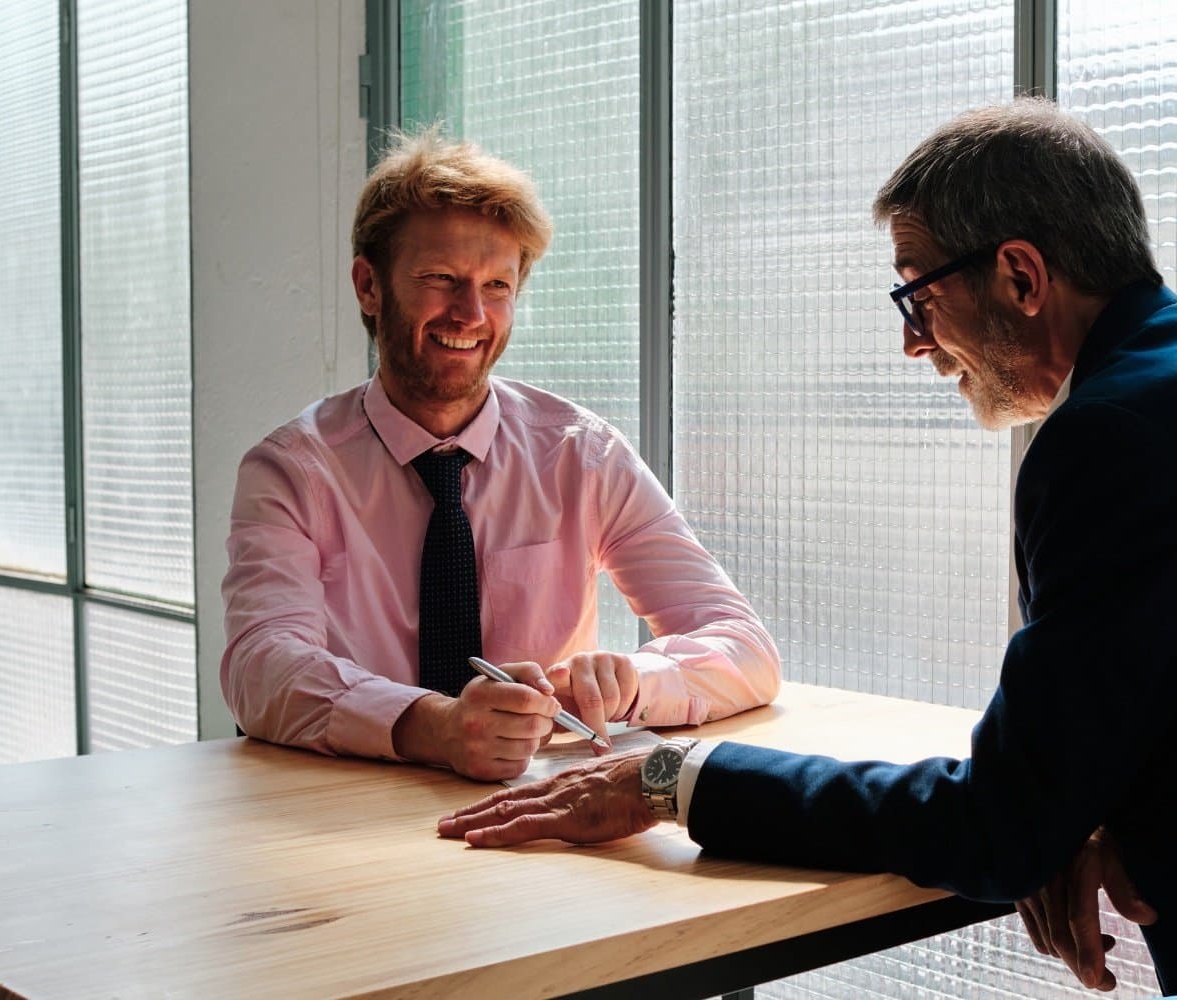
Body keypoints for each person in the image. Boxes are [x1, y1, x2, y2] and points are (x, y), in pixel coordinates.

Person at [437, 99, 1177, 994]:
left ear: (1018, 275)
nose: (913, 343)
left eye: (916, 291)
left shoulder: (1117, 435)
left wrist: (672, 779)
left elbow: (995, 823)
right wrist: (1080, 816)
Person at [221, 130, 780, 782]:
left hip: (539, 815)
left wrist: (632, 681)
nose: (470, 314)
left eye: (496, 286)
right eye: (441, 279)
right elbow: (261, 666)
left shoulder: (581, 455)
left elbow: (746, 648)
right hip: (349, 819)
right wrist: (435, 726)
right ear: (368, 286)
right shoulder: (293, 470)